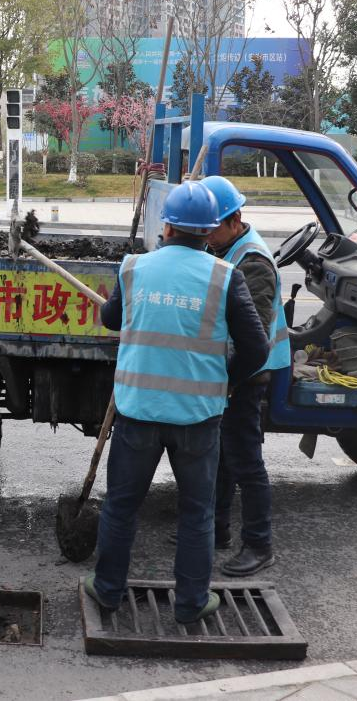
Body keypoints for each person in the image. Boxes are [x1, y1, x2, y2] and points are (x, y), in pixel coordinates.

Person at [84, 181, 269, 625]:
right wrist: (226, 382)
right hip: (197, 418)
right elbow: (257, 349)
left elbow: (110, 319)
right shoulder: (225, 277)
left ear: (166, 227)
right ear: (208, 231)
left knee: (121, 506)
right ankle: (191, 603)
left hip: (138, 412)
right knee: (197, 513)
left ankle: (107, 590)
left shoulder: (134, 268)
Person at [202, 175, 290, 576]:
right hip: (229, 371)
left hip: (248, 374)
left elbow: (252, 338)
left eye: (212, 227)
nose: (206, 234)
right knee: (222, 455)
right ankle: (216, 530)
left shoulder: (253, 262)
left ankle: (259, 544)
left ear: (235, 220)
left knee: (246, 462)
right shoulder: (224, 247)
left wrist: (230, 380)